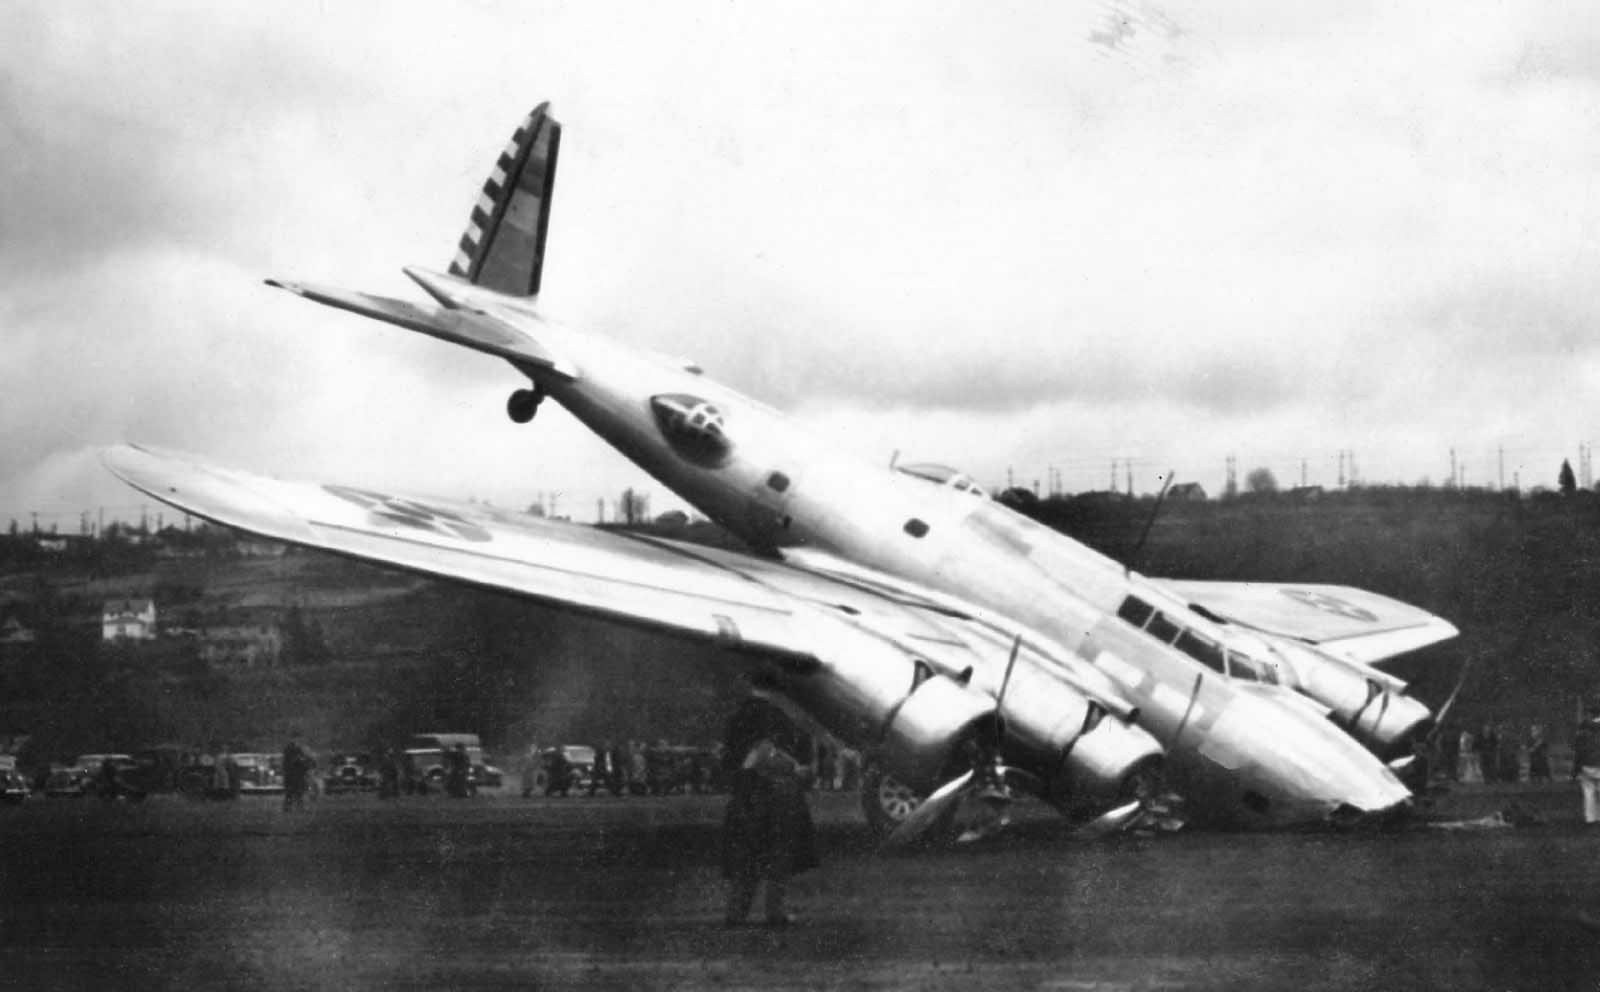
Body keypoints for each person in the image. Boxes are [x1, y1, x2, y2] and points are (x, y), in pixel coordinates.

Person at [721, 699, 818, 927]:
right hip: (776, 805)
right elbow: (773, 761)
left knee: (748, 862)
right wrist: (797, 770)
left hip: (751, 804)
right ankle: (772, 913)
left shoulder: (750, 740)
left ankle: (737, 913)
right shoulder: (771, 744)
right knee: (776, 860)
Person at [1574, 701, 1600, 825]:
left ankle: (1591, 818)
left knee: (1589, 792)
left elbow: (1578, 751)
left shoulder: (1583, 729)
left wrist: (1575, 770)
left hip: (1587, 764)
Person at [282, 737, 314, 812]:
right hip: (293, 775)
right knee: (293, 793)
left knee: (296, 793)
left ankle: (294, 807)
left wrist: (304, 762)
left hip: (295, 775)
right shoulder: (291, 750)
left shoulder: (296, 749)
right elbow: (294, 761)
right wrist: (302, 761)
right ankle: (292, 807)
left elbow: (301, 761)